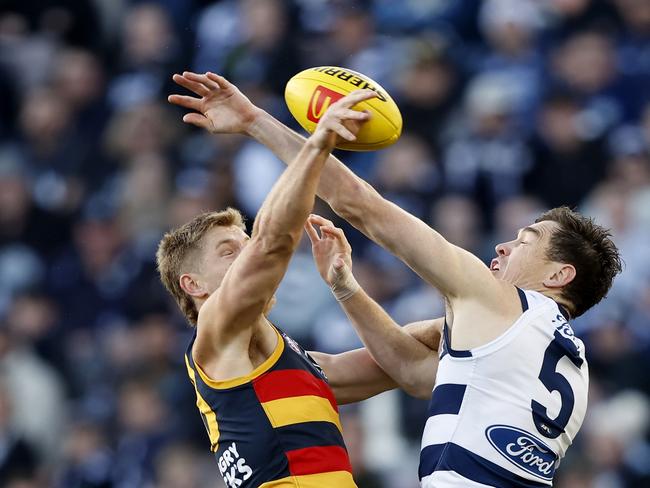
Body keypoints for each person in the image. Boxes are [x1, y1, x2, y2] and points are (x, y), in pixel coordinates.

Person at [168, 71, 623, 487]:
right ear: (192, 285)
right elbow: (407, 369)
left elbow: (356, 205)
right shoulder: (569, 364)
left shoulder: (497, 301)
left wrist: (280, 129)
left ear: (560, 274)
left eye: (525, 241)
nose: (503, 247)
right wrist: (348, 289)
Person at [157, 89, 439, 488]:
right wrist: (317, 141)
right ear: (193, 285)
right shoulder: (215, 331)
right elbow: (272, 243)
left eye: (245, 242)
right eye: (228, 251)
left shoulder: (282, 362)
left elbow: (394, 363)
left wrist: (448, 327)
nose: (246, 255)